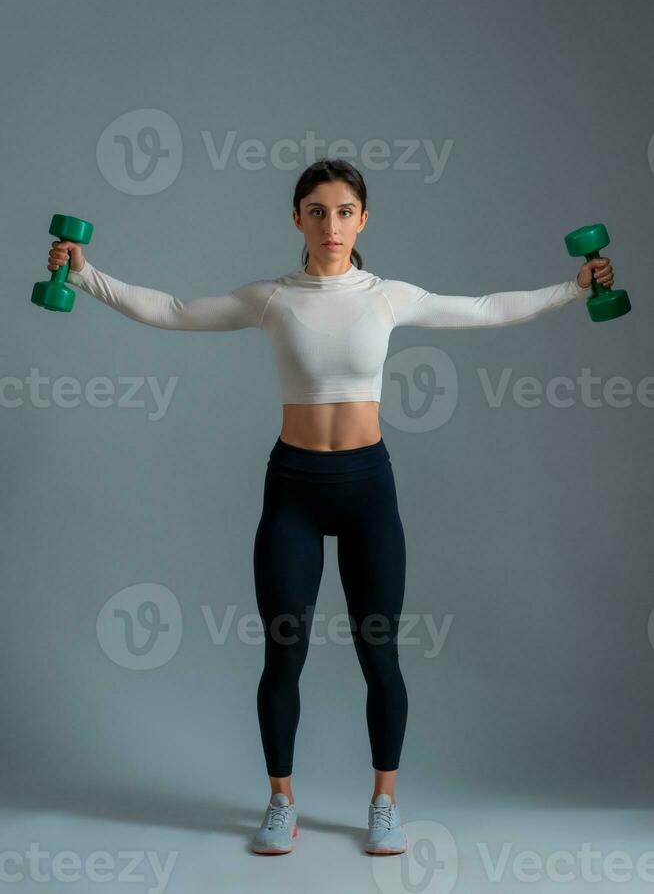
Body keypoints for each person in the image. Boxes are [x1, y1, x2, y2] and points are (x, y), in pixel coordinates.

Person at [48, 159, 613, 856]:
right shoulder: (273, 299)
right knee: (284, 654)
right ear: (297, 221)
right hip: (294, 490)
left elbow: (487, 308)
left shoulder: (388, 296)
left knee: (382, 653)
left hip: (368, 489)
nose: (332, 225)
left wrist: (572, 286)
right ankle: (281, 803)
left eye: (345, 211)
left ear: (363, 219)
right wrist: (82, 274)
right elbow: (170, 310)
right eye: (317, 211)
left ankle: (384, 802)